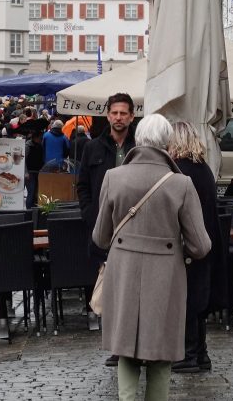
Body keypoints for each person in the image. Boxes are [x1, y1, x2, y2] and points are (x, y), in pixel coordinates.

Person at [92, 114, 210, 401]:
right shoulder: (181, 184)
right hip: (166, 274)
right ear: (167, 143)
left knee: (126, 350)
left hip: (123, 269)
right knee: (161, 352)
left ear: (138, 139)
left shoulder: (113, 177)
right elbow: (201, 245)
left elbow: (100, 237)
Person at [77, 92, 136, 339]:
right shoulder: (92, 147)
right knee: (106, 283)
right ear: (107, 115)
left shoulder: (139, 148)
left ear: (132, 117)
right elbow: (83, 185)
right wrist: (90, 213)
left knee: (131, 285)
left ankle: (130, 338)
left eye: (123, 113)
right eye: (114, 113)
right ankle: (113, 341)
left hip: (133, 226)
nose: (118, 118)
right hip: (103, 227)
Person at [166, 121, 219, 374]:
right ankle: (201, 354)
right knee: (199, 299)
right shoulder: (204, 169)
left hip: (188, 244)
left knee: (185, 300)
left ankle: (188, 354)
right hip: (206, 242)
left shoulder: (180, 172)